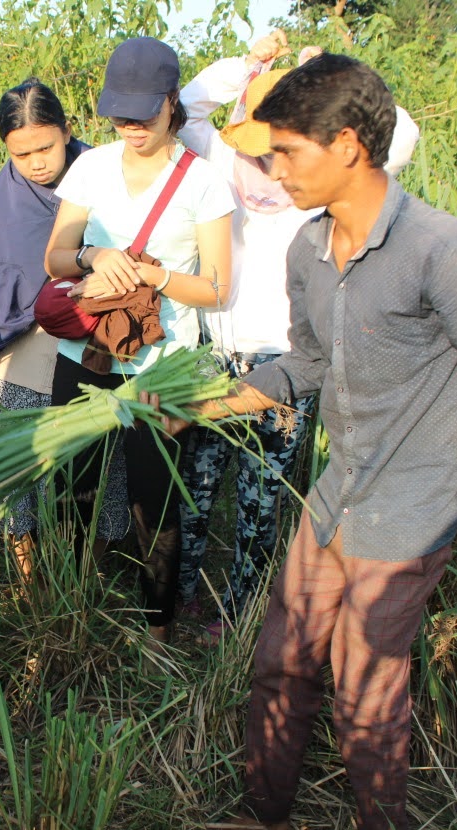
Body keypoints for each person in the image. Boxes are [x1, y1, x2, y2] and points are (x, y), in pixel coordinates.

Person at [145, 54, 457, 830]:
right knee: (279, 663)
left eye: (287, 152)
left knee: (367, 699)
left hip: (410, 510)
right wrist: (207, 403)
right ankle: (270, 818)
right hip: (338, 497)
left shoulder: (444, 252)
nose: (271, 170)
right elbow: (304, 365)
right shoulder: (308, 249)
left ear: (345, 146)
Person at [173, 36, 420, 644]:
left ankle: (236, 614)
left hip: (289, 365)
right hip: (215, 358)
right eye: (259, 149)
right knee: (195, 490)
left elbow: (403, 136)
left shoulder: (321, 178)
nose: (268, 169)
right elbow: (187, 105)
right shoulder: (215, 165)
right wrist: (250, 68)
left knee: (261, 499)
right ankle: (176, 602)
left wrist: (325, 75)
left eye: (279, 149)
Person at [44, 37, 234, 646]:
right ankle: (68, 606)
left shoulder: (203, 183)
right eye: (119, 114)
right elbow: (55, 258)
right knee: (74, 483)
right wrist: (94, 255)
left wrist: (153, 276)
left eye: (143, 113)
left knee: (155, 499)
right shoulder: (92, 166)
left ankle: (157, 630)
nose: (130, 125)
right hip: (87, 353)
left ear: (172, 102)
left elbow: (217, 289)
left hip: (161, 367)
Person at [0, 78, 125, 577]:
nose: (38, 162)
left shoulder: (106, 181)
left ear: (68, 130)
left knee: (96, 465)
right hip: (21, 351)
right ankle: (30, 585)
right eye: (22, 154)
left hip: (96, 343)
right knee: (19, 470)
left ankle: (88, 577)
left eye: (46, 146)